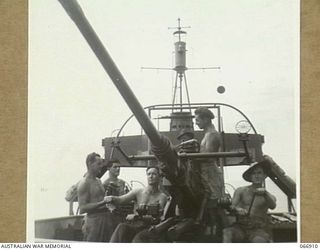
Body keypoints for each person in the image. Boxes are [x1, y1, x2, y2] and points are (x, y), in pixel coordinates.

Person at [107, 166, 169, 242]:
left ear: (159, 177)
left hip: (150, 228)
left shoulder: (162, 197)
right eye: (149, 174)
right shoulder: (138, 192)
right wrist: (111, 198)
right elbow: (121, 200)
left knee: (138, 239)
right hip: (135, 225)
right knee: (122, 227)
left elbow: (156, 219)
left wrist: (137, 217)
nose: (151, 176)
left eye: (154, 174)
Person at [223, 161, 276, 243]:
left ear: (264, 176)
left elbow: (273, 206)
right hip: (240, 227)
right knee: (227, 232)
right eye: (254, 173)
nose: (257, 176)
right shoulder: (240, 191)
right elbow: (232, 207)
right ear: (250, 177)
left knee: (258, 240)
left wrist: (265, 193)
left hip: (258, 229)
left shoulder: (268, 195)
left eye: (259, 173)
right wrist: (238, 209)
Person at [194, 107, 226, 238]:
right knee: (208, 205)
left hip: (210, 173)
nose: (196, 123)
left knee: (213, 205)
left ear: (206, 119)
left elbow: (207, 156)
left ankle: (217, 233)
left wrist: (187, 155)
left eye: (197, 120)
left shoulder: (212, 134)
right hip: (205, 172)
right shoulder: (207, 134)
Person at [77, 152, 112, 242]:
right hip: (93, 222)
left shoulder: (99, 181)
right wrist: (103, 202)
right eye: (98, 164)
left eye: (101, 164)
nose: (101, 166)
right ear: (90, 164)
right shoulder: (84, 183)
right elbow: (83, 207)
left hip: (105, 220)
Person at [102, 160, 130, 234]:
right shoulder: (105, 184)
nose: (118, 169)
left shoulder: (122, 183)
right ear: (108, 168)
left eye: (119, 167)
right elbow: (103, 202)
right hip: (110, 216)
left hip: (122, 214)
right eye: (115, 167)